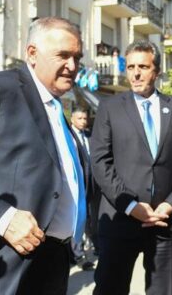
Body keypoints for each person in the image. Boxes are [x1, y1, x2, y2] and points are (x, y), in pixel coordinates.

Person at [0, 17, 90, 295]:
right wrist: (0, 217)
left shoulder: (55, 106)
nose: (73, 66)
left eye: (77, 57)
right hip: (5, 262)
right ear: (32, 53)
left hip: (55, 261)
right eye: (63, 55)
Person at [91, 41, 172, 295]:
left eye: (143, 67)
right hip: (120, 218)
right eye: (131, 67)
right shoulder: (109, 107)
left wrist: (171, 204)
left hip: (164, 221)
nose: (136, 73)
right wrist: (130, 205)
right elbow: (100, 161)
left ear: (156, 71)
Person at [71, 107, 98, 271]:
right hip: (77, 185)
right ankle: (78, 255)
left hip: (91, 184)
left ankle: (95, 245)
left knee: (91, 217)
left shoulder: (89, 135)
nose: (83, 121)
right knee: (78, 218)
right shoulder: (69, 136)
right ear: (73, 119)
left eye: (85, 118)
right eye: (80, 118)